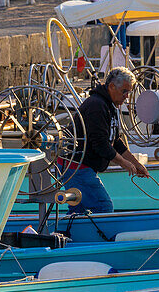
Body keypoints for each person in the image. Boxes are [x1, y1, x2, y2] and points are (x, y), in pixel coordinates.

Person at [63, 68, 149, 214]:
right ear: (111, 87)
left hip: (80, 166)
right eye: (124, 91)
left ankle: (67, 234)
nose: (126, 96)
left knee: (79, 210)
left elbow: (115, 141)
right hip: (77, 166)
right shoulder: (97, 105)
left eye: (129, 92)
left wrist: (136, 163)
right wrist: (124, 163)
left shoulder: (110, 106)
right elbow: (101, 144)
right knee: (103, 207)